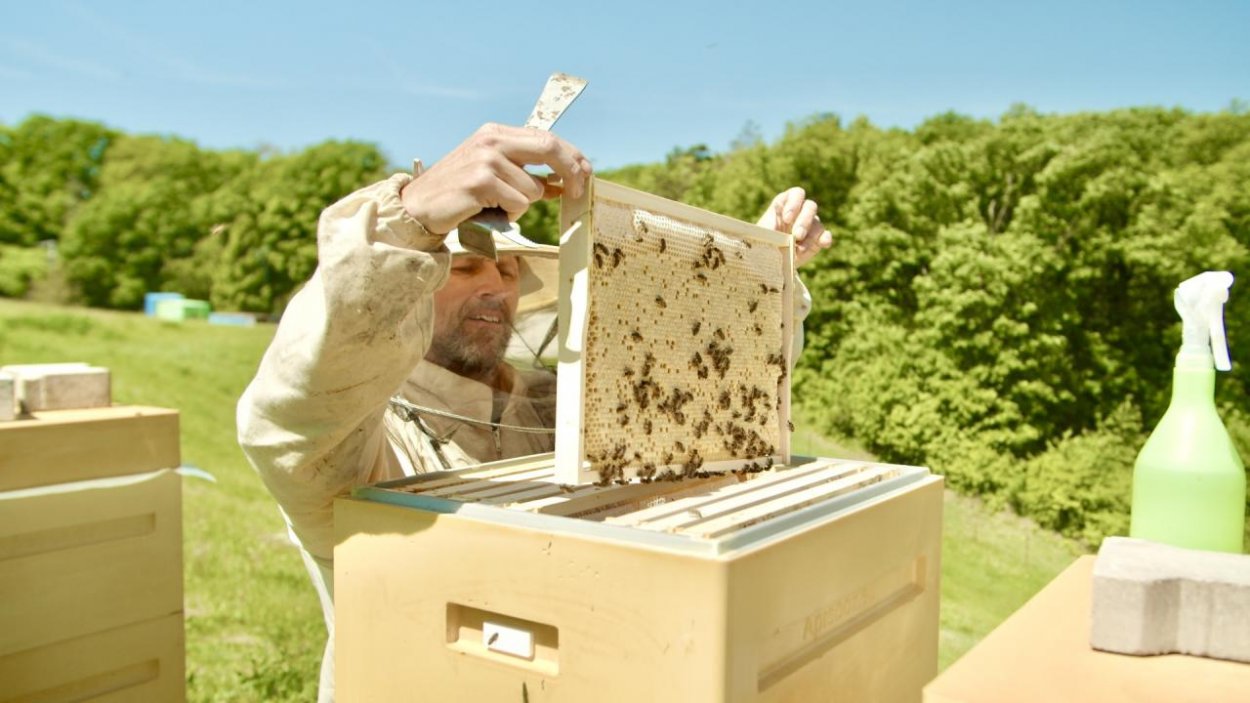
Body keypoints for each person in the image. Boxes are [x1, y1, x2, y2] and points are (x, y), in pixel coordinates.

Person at [236, 123, 832, 701]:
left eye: (508, 268)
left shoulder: (561, 406)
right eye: (465, 267)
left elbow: (703, 396)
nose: (496, 285)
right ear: (412, 285)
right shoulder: (360, 440)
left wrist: (754, 270)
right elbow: (295, 414)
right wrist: (408, 218)